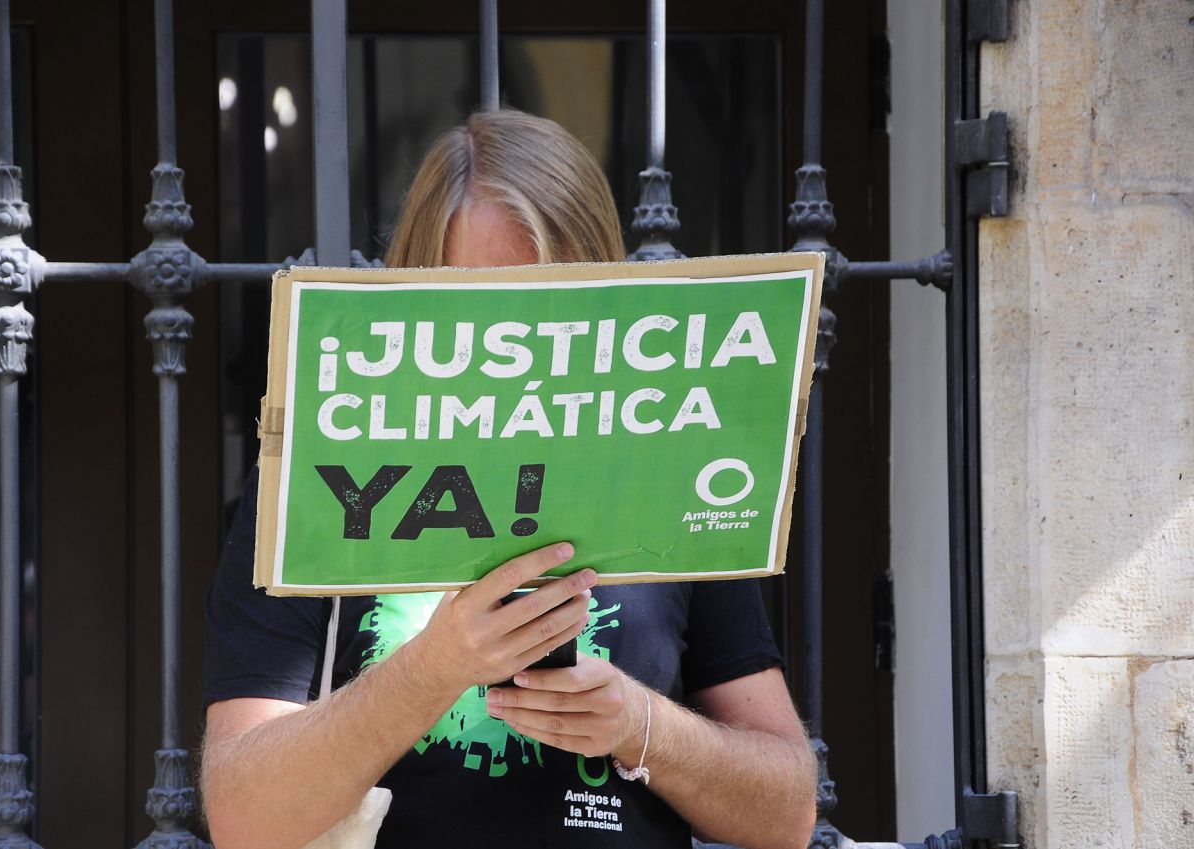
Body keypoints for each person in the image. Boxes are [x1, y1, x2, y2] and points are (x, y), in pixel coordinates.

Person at [200, 109, 817, 849]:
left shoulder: (671, 469)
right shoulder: (319, 478)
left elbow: (787, 811)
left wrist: (642, 726)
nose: (517, 354)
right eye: (485, 309)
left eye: (550, 303)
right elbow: (243, 815)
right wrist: (436, 665)